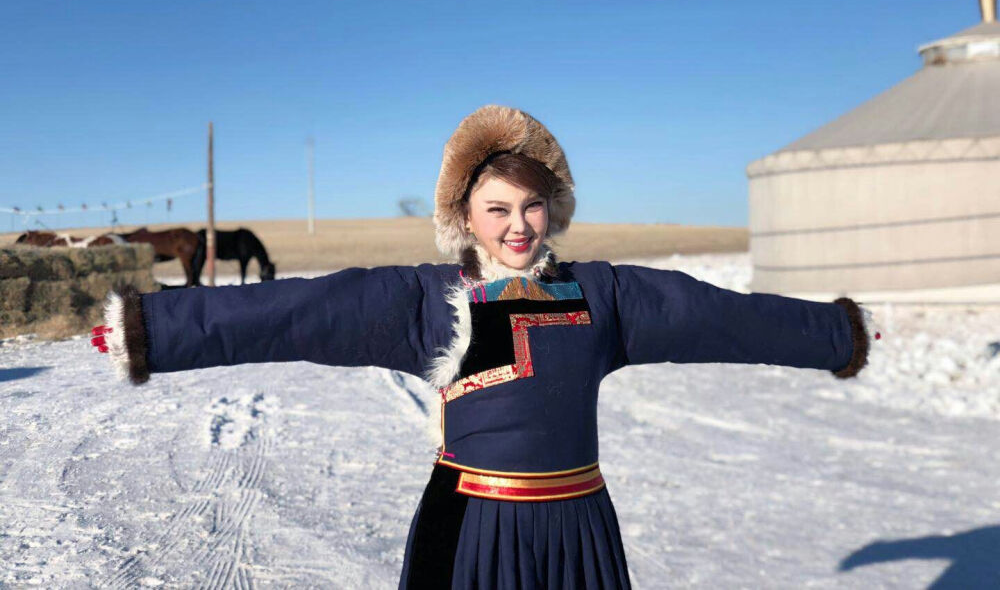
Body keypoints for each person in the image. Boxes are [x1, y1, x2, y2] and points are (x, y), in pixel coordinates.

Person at [90, 105, 876, 589]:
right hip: (473, 532)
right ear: (466, 216)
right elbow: (293, 310)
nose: (518, 226)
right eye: (498, 208)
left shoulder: (604, 293)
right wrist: (154, 329)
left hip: (578, 530)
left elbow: (719, 317)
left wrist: (835, 332)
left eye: (533, 207)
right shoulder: (425, 300)